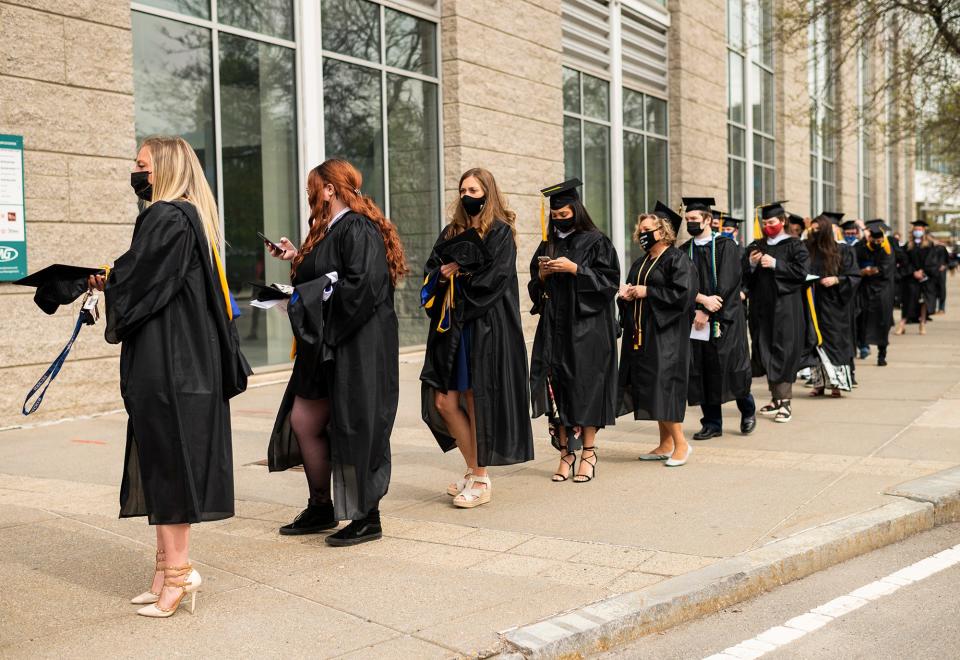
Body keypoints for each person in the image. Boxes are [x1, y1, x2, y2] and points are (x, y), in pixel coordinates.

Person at [88, 135, 246, 617]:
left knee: (170, 465)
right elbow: (148, 278)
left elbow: (140, 284)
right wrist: (112, 278)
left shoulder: (165, 217)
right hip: (182, 363)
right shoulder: (187, 217)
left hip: (172, 366)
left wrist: (103, 281)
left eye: (142, 165)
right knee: (162, 462)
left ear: (164, 168)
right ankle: (164, 570)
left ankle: (179, 575)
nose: (136, 173)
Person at [266, 159, 403, 546]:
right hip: (325, 344)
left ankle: (367, 515)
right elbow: (326, 279)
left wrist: (305, 297)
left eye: (314, 187)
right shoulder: (328, 231)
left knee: (356, 423)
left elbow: (362, 287)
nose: (310, 195)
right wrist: (296, 261)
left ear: (329, 189)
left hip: (356, 344)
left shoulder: (358, 228)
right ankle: (321, 505)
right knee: (304, 419)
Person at [420, 168, 534, 508]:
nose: (468, 194)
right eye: (463, 189)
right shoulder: (452, 230)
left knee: (475, 399)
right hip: (450, 328)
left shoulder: (500, 232)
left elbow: (494, 282)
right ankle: (474, 471)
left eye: (474, 188)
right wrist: (442, 273)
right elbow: (432, 269)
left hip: (483, 328)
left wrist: (461, 272)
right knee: (444, 402)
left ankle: (481, 477)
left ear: (488, 192)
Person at [529, 179, 620, 482]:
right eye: (555, 215)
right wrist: (541, 276)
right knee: (556, 387)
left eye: (564, 213)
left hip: (587, 331)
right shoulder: (548, 243)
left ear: (576, 210)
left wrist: (576, 270)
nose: (559, 219)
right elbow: (535, 289)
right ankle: (565, 453)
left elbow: (609, 284)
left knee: (585, 389)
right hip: (554, 329)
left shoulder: (597, 241)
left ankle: (589, 452)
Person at [617, 203, 697, 467]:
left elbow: (684, 295)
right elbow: (636, 293)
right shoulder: (642, 262)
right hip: (642, 335)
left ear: (663, 232)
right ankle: (665, 444)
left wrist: (648, 292)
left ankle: (682, 445)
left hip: (667, 337)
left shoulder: (677, 259)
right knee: (651, 388)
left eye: (647, 230)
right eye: (640, 230)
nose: (642, 234)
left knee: (664, 388)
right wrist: (627, 295)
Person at [679, 197, 755, 439]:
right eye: (687, 219)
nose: (690, 223)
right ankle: (712, 424)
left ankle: (748, 410)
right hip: (696, 322)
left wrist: (707, 311)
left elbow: (728, 284)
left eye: (694, 219)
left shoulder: (726, 246)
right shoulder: (684, 251)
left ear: (708, 220)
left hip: (726, 321)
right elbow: (683, 285)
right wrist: (696, 311)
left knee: (731, 368)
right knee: (703, 370)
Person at [742, 201, 811, 423]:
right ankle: (776, 399)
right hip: (761, 308)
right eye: (764, 223)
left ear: (782, 222)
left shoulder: (795, 246)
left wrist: (776, 264)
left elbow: (802, 273)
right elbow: (745, 277)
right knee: (765, 350)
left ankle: (786, 403)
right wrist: (751, 266)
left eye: (771, 222)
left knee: (783, 351)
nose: (767, 226)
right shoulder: (756, 245)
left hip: (786, 309)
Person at [802, 213, 861, 397]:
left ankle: (837, 384)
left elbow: (854, 276)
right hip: (813, 302)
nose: (815, 233)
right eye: (813, 230)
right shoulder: (807, 250)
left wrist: (836, 279)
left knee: (835, 343)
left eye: (818, 230)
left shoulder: (842, 250)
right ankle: (819, 384)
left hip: (835, 306)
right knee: (815, 342)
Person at [855, 220, 896, 366]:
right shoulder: (863, 248)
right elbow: (856, 265)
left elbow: (884, 270)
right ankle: (863, 347)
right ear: (870, 237)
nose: (878, 242)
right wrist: (864, 271)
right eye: (875, 239)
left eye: (880, 239)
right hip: (865, 291)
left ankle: (882, 354)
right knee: (862, 320)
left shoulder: (887, 249)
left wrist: (867, 271)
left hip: (883, 292)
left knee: (882, 323)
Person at [896, 220, 939, 335]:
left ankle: (922, 324)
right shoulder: (908, 245)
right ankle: (902, 324)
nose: (917, 232)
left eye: (919, 230)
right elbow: (904, 261)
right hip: (911, 277)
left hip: (925, 278)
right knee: (908, 301)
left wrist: (923, 272)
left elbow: (933, 261)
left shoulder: (930, 245)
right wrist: (913, 272)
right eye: (916, 230)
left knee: (924, 301)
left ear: (924, 231)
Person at [933, 239, 949, 314]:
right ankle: (933, 308)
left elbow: (947, 259)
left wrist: (944, 265)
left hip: (941, 272)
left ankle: (941, 308)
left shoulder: (942, 248)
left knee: (942, 290)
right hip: (933, 272)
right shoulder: (930, 249)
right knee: (933, 290)